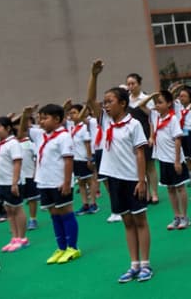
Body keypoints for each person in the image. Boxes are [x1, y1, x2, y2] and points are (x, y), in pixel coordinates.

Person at [87, 61, 153, 283]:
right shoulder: (105, 121)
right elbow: (89, 101)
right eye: (104, 102)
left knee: (140, 221)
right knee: (127, 222)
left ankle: (145, 264)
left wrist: (141, 180)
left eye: (110, 102)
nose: (105, 106)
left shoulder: (133, 124)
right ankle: (133, 264)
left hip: (133, 180)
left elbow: (140, 154)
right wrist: (94, 75)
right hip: (114, 180)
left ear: (123, 103)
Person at [30, 104, 81, 264]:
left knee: (65, 212)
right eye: (40, 118)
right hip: (44, 182)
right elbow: (22, 130)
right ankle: (61, 247)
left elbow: (68, 160)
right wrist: (26, 114)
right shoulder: (41, 135)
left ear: (57, 119)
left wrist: (66, 183)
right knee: (54, 215)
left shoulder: (64, 136)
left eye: (45, 118)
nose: (41, 122)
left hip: (59, 182)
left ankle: (72, 247)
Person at [142, 91, 190, 230]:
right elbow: (141, 105)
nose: (157, 105)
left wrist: (176, 161)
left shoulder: (173, 119)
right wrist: (152, 96)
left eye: (160, 102)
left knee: (180, 188)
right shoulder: (155, 116)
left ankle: (185, 217)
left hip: (174, 159)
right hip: (162, 159)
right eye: (156, 102)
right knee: (170, 189)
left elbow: (177, 140)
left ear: (169, 104)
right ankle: (177, 216)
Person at [127, 73, 159, 204]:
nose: (130, 86)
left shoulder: (146, 99)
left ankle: (154, 193)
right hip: (132, 136)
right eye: (128, 84)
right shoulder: (127, 100)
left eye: (133, 83)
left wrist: (151, 136)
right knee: (139, 166)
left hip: (145, 134)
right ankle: (145, 194)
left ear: (139, 84)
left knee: (150, 165)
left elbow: (152, 119)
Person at [0, 116, 27, 252]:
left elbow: (17, 162)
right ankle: (14, 238)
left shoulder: (13, 143)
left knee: (17, 209)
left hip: (12, 182)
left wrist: (14, 183)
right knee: (9, 210)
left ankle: (22, 238)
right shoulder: (2, 144)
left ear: (8, 128)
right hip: (2, 182)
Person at [68, 104, 99, 215]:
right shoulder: (71, 127)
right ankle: (85, 204)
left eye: (74, 112)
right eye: (70, 113)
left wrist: (90, 159)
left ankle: (93, 204)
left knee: (90, 181)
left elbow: (87, 144)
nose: (72, 115)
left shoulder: (85, 127)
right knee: (81, 183)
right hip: (75, 159)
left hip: (84, 158)